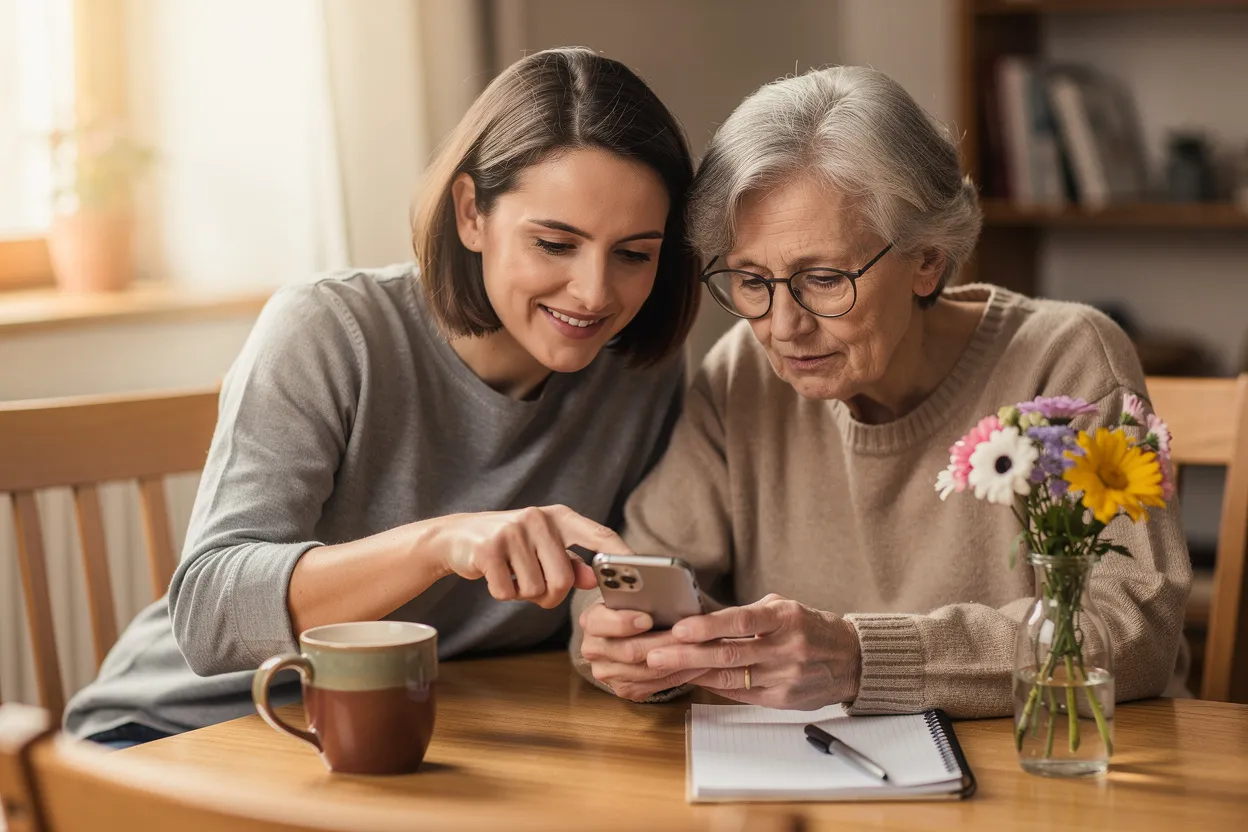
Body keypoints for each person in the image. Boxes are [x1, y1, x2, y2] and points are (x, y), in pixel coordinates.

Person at [65, 47, 699, 747]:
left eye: (635, 254)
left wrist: (620, 638)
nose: (595, 292)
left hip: (414, 734)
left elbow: (595, 601)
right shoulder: (333, 330)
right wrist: (439, 541)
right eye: (554, 243)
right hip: (184, 733)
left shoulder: (642, 375)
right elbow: (210, 615)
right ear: (471, 214)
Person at [574, 65, 1191, 718]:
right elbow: (627, 573)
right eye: (751, 280)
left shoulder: (1064, 361)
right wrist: (630, 645)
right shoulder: (743, 375)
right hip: (806, 784)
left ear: (927, 259)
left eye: (824, 278)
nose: (783, 327)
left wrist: (864, 658)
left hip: (1048, 772)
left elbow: (1135, 628)